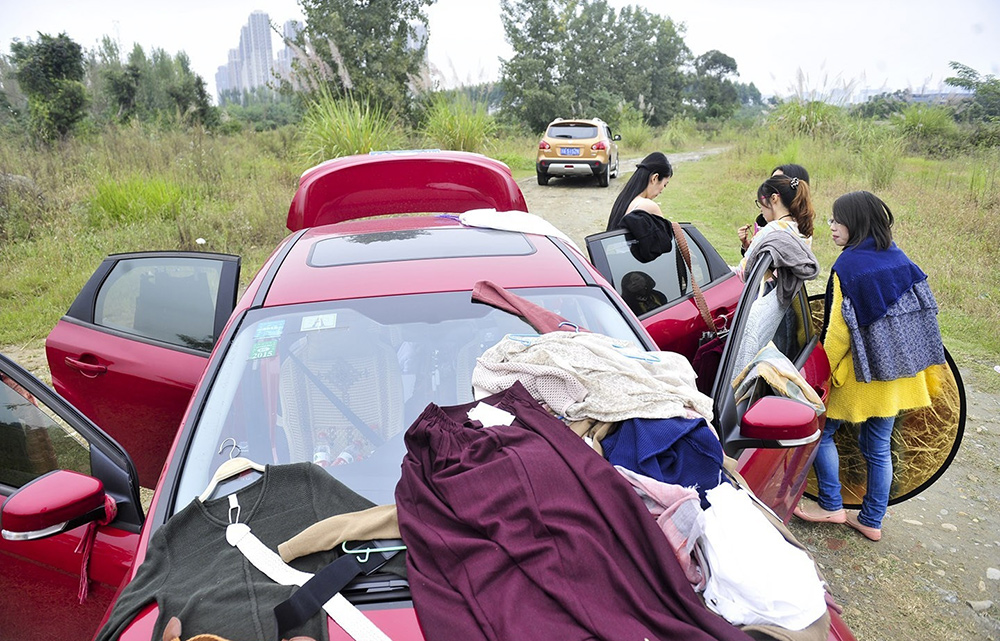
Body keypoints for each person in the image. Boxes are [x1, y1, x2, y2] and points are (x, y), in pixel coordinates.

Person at [794, 191, 945, 542]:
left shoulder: (847, 268)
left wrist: (820, 375)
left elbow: (837, 335)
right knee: (878, 446)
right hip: (897, 376)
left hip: (862, 377)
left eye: (837, 220)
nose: (830, 226)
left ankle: (831, 505)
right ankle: (872, 519)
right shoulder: (901, 260)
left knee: (823, 432)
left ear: (855, 223)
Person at [736, 173, 815, 279]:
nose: (760, 208)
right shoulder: (803, 232)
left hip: (767, 293)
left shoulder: (771, 230)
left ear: (774, 198)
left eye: (760, 201)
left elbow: (743, 271)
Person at [739, 164, 811, 255]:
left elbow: (744, 267)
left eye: (777, 181)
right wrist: (747, 246)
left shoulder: (771, 229)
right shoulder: (804, 229)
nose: (769, 185)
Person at [606, 152, 673, 231]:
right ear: (654, 178)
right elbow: (666, 240)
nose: (662, 191)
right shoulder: (648, 206)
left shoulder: (624, 199)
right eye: (664, 185)